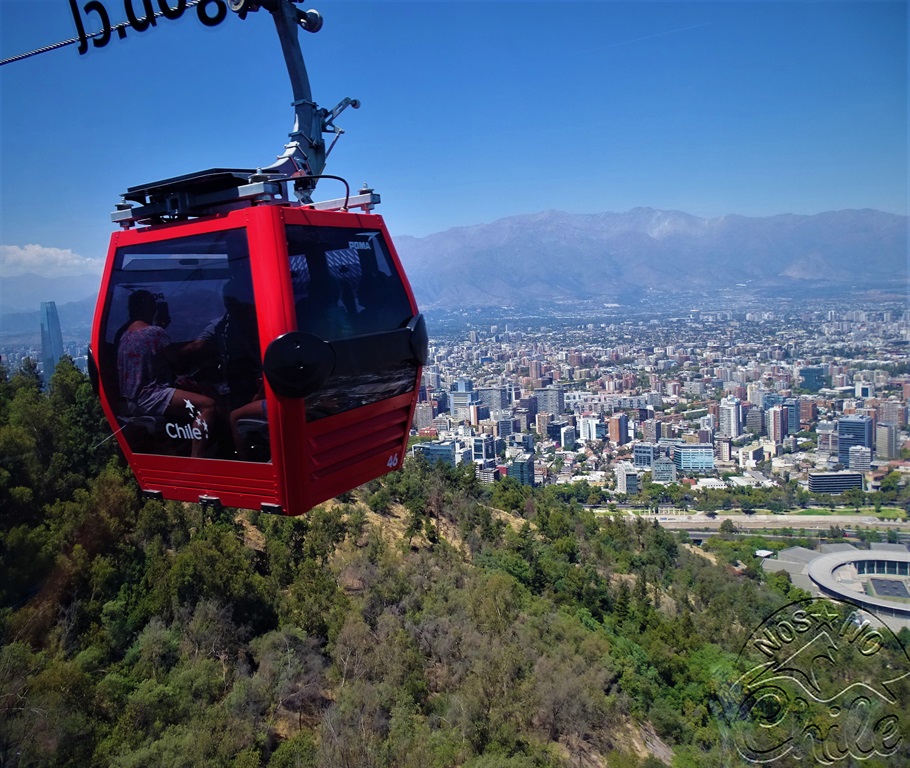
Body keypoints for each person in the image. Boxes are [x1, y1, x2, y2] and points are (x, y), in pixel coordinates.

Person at [117, 290, 215, 458]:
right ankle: (197, 460)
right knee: (208, 405)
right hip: (152, 396)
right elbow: (175, 359)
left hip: (132, 401)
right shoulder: (154, 333)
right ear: (148, 308)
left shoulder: (124, 335)